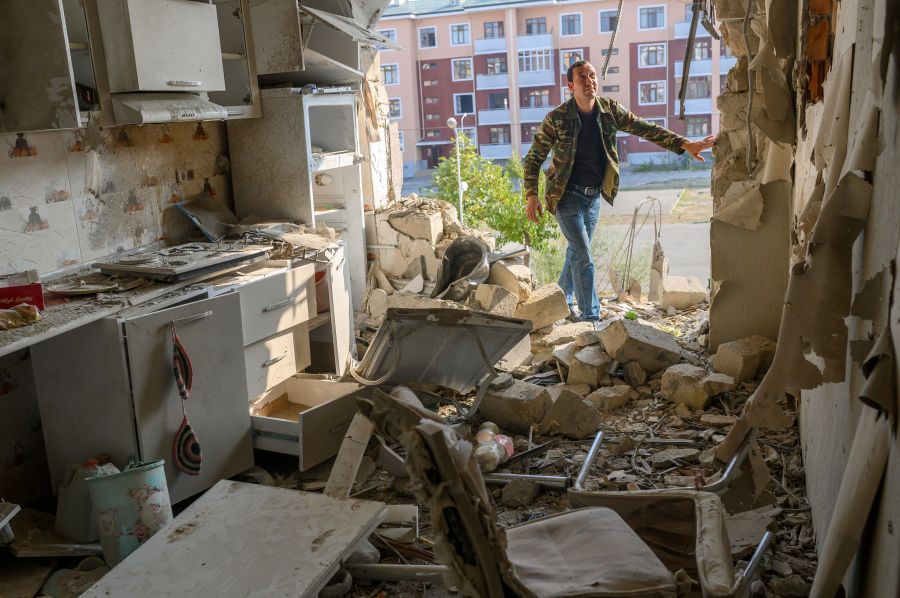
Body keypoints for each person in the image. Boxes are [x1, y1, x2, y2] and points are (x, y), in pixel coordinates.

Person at [523, 60, 716, 322]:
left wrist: (684, 144)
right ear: (571, 85)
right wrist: (531, 195)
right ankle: (590, 317)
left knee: (576, 251)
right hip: (565, 195)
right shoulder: (557, 118)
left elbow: (645, 128)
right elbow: (533, 158)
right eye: (582, 77)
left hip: (593, 198)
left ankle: (563, 299)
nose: (589, 80)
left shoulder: (609, 111)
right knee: (584, 256)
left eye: (592, 75)